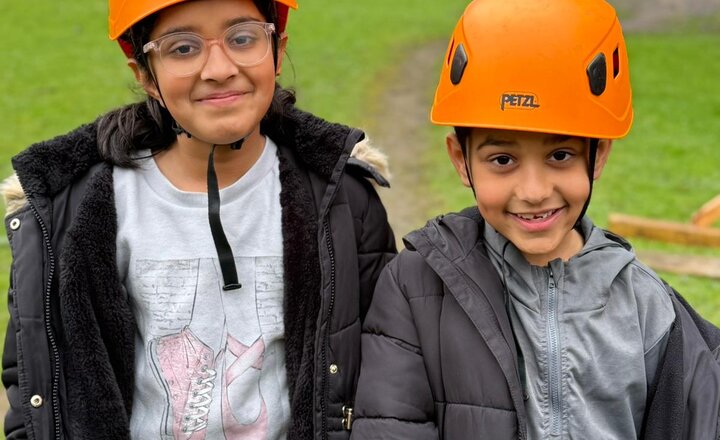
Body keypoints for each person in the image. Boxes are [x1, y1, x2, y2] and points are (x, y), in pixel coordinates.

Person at [1, 0, 396, 438]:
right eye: (183, 48)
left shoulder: (340, 200)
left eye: (242, 38)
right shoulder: (76, 212)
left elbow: (386, 373)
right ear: (145, 74)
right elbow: (35, 387)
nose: (219, 69)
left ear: (277, 50)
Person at [350, 0, 720, 438]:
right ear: (461, 159)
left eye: (560, 155)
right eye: (503, 159)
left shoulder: (647, 306)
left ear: (598, 155)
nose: (534, 191)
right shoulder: (415, 288)